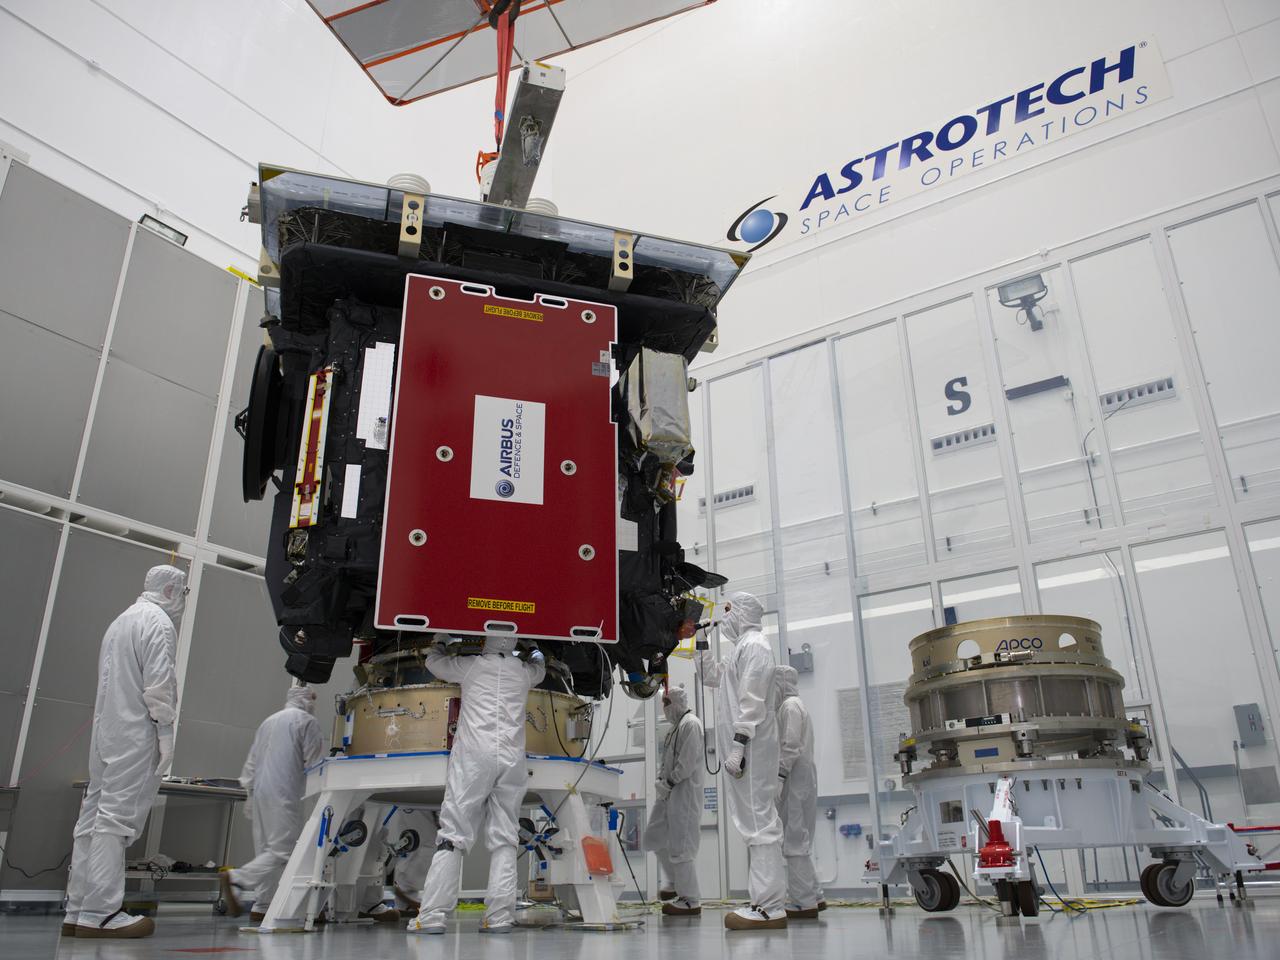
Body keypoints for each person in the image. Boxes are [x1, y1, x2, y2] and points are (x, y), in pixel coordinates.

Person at [63, 564, 187, 940]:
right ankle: (101, 913)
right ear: (171, 591)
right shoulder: (158, 624)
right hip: (134, 733)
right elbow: (159, 686)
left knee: (92, 819)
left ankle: (77, 910)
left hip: (106, 733)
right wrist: (165, 733)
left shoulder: (122, 620)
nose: (182, 600)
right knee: (115, 821)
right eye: (183, 593)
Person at [407, 635, 545, 934]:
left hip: (474, 757)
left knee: (453, 834)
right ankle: (499, 917)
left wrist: (441, 641)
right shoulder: (523, 672)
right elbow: (540, 668)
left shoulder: (471, 666)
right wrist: (534, 648)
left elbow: (433, 663)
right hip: (512, 758)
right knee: (506, 835)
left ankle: (431, 916)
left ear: (485, 641)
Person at [698, 591, 787, 930]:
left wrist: (739, 744)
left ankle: (769, 907)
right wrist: (701, 642)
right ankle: (763, 901)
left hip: (751, 748)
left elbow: (752, 701)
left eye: (728, 611)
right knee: (753, 822)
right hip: (744, 748)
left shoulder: (756, 646)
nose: (724, 618)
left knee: (760, 822)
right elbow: (712, 677)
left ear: (741, 612)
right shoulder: (741, 648)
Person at [219, 684, 326, 923]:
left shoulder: (268, 721)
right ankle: (238, 878)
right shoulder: (306, 722)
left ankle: (262, 904)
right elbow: (316, 764)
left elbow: (252, 760)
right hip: (284, 794)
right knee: (284, 850)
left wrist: (250, 791)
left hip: (259, 793)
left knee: (266, 849)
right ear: (307, 700)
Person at [642, 684, 704, 917]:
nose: (665, 708)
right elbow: (667, 760)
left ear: (678, 702)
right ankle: (676, 882)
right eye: (663, 703)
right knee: (653, 837)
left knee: (682, 845)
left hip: (684, 792)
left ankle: (690, 899)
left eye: (667, 703)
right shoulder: (673, 729)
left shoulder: (691, 725)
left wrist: (669, 781)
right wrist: (661, 780)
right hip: (668, 792)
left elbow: (686, 762)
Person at [774, 665, 824, 919]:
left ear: (780, 683)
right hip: (802, 779)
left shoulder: (789, 707)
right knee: (800, 839)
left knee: (793, 841)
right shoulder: (796, 705)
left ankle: (803, 903)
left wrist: (780, 774)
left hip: (794, 780)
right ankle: (815, 895)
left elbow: (790, 744)